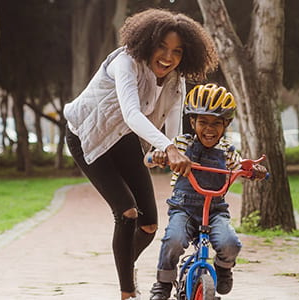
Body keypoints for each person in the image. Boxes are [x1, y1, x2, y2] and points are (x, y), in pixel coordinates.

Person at [63, 8, 218, 300]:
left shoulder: (176, 81)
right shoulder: (125, 63)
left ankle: (125, 265)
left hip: (123, 140)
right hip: (86, 137)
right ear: (147, 42)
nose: (168, 57)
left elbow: (173, 127)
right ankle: (127, 292)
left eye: (177, 51)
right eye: (162, 46)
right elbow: (132, 113)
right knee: (127, 212)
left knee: (148, 226)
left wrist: (172, 150)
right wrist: (168, 148)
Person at [145, 84, 267, 300]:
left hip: (215, 211)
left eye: (216, 123)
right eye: (203, 122)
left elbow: (241, 166)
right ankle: (163, 283)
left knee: (230, 243)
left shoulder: (227, 151)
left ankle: (223, 268)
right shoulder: (181, 145)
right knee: (173, 240)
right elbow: (148, 159)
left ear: (226, 124)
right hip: (184, 209)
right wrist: (158, 157)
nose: (209, 129)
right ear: (192, 122)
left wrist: (253, 171)